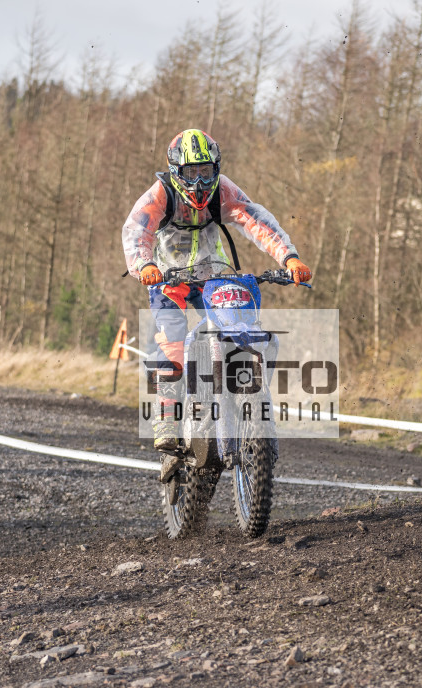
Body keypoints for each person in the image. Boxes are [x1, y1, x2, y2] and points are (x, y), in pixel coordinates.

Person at [121, 128, 312, 450]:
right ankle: (166, 417)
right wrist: (144, 265)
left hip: (214, 274)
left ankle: (247, 395)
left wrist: (289, 257)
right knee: (173, 344)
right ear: (175, 171)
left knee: (241, 330)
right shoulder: (160, 194)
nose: (198, 181)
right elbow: (136, 232)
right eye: (190, 172)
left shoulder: (223, 191)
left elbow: (255, 220)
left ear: (216, 169)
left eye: (205, 171)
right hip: (168, 278)